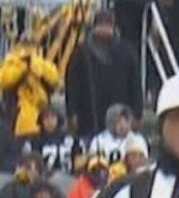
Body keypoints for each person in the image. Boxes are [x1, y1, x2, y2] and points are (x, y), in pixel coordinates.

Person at [65, 10, 143, 139]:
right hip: (88, 116)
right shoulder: (81, 52)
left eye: (108, 25)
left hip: (119, 116)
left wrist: (137, 113)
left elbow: (135, 83)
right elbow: (72, 84)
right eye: (101, 25)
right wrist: (71, 112)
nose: (105, 29)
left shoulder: (127, 52)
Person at [0, 35, 61, 140]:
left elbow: (55, 79)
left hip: (42, 121)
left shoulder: (41, 63)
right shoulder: (9, 64)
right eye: (25, 45)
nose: (27, 49)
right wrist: (23, 65)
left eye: (30, 45)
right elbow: (5, 80)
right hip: (18, 120)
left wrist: (37, 67)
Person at [27, 106, 83, 176]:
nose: (49, 121)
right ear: (41, 121)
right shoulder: (34, 141)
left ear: (58, 119)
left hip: (70, 178)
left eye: (52, 117)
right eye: (46, 118)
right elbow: (31, 165)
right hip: (45, 181)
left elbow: (80, 159)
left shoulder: (72, 138)